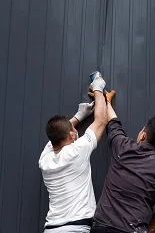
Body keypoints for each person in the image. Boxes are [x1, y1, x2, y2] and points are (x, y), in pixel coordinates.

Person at [38, 73, 113, 233]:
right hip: (75, 228)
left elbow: (57, 133)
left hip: (51, 228)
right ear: (72, 135)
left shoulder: (45, 158)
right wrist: (98, 87)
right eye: (73, 130)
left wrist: (78, 116)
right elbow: (101, 121)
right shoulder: (76, 151)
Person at [92, 99, 155, 233]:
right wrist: (147, 229)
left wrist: (106, 100)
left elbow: (113, 121)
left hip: (103, 227)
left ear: (143, 134)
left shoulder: (123, 147)